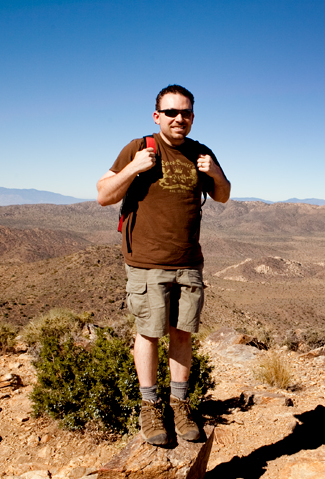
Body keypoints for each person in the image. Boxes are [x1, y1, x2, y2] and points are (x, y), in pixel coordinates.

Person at [96, 85, 231, 446]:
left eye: (185, 112)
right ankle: (150, 406)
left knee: (183, 333)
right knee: (149, 333)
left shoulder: (201, 152)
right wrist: (134, 169)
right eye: (170, 112)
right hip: (147, 262)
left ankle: (180, 404)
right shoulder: (139, 148)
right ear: (157, 116)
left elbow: (223, 194)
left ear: (192, 116)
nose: (178, 118)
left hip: (188, 262)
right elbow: (103, 195)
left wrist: (215, 173)